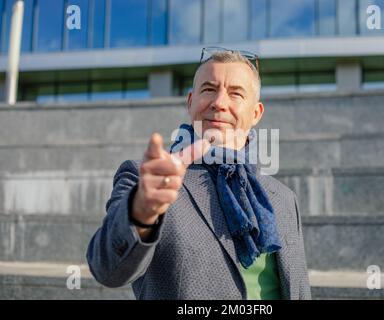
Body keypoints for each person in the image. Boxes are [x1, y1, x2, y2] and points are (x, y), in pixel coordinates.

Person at [86, 47, 311, 300]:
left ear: (256, 113)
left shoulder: (283, 198)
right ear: (191, 101)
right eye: (209, 89)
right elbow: (108, 270)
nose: (219, 103)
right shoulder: (147, 180)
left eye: (235, 93)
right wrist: (142, 211)